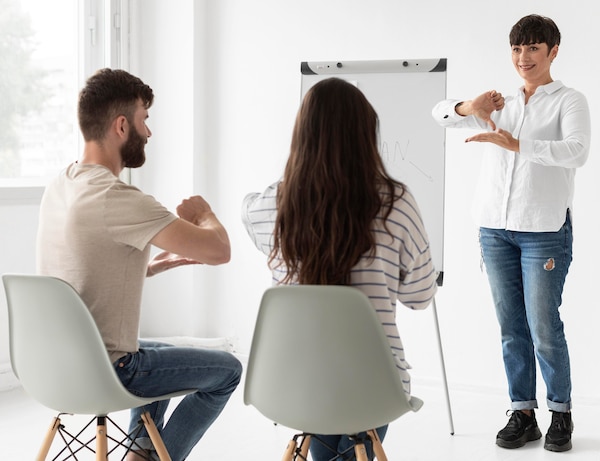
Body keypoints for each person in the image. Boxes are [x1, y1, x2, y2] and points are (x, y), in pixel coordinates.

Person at [36, 68, 243, 461]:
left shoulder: (60, 186)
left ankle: (138, 453)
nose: (149, 132)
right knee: (228, 370)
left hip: (54, 363)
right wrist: (204, 213)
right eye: (144, 120)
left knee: (159, 350)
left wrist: (149, 266)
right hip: (110, 370)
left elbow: (77, 270)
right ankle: (151, 459)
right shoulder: (119, 198)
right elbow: (219, 250)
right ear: (120, 125)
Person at [242, 77, 438, 460]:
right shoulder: (396, 204)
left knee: (324, 416)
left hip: (290, 382)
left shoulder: (270, 206)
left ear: (302, 134)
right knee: (353, 417)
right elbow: (420, 296)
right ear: (364, 135)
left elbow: (246, 211)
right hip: (373, 385)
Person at [432, 14, 590, 452]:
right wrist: (470, 108)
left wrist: (517, 145)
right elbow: (440, 114)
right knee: (510, 327)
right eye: (517, 49)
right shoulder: (501, 102)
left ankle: (561, 413)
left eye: (534, 49)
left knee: (543, 325)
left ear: (553, 52)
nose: (524, 58)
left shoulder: (569, 100)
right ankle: (523, 412)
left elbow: (577, 152)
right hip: (494, 231)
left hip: (543, 230)